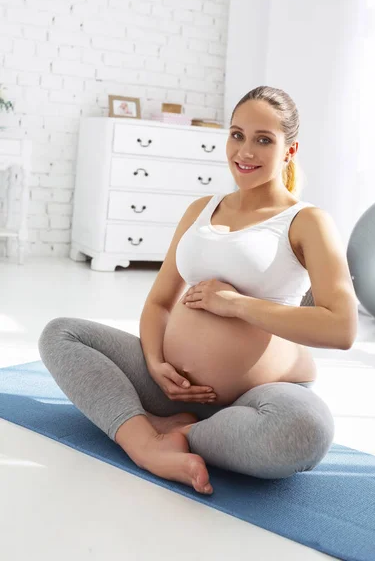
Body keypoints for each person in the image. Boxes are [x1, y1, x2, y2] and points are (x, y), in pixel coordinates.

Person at [38, 86, 358, 495]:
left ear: (290, 151)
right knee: (61, 334)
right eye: (237, 134)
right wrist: (155, 362)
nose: (245, 151)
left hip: (257, 398)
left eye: (264, 140)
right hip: (171, 387)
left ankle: (184, 434)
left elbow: (342, 328)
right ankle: (145, 444)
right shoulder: (202, 209)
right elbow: (158, 303)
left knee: (306, 430)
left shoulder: (306, 221)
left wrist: (238, 305)